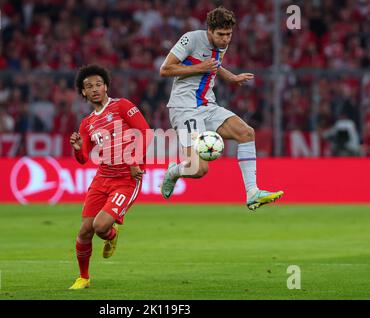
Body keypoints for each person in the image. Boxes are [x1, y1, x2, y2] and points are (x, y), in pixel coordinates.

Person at [159, 6, 283, 211]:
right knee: (198, 169)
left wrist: (232, 77)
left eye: (229, 35)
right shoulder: (191, 39)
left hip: (207, 104)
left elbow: (214, 64)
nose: (226, 39)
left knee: (246, 132)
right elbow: (165, 69)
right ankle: (173, 172)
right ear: (210, 31)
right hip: (184, 107)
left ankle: (252, 193)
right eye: (221, 35)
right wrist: (199, 68)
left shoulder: (221, 45)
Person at [69, 65, 151, 289]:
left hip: (126, 179)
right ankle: (83, 278)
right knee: (84, 231)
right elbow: (84, 159)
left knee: (100, 226)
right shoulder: (87, 123)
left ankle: (111, 234)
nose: (94, 89)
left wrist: (134, 161)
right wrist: (78, 148)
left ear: (106, 86)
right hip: (102, 178)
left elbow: (146, 133)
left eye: (98, 84)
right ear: (83, 92)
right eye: (88, 86)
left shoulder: (122, 105)